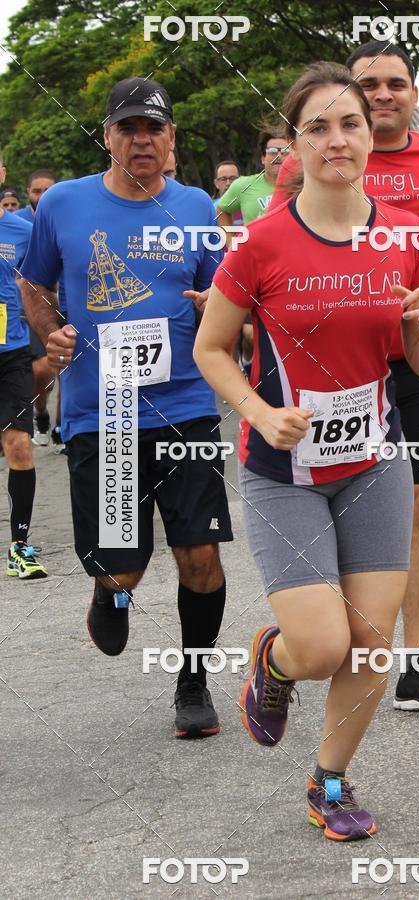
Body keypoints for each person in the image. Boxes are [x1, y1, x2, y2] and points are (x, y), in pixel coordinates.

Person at [195, 61, 419, 842]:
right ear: (293, 145)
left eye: (349, 123)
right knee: (320, 645)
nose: (338, 139)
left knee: (371, 647)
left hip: (375, 460)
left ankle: (329, 781)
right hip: (285, 471)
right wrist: (258, 410)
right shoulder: (262, 243)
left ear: (368, 138)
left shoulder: (408, 236)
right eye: (319, 127)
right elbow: (212, 348)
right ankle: (274, 662)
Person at [273, 42, 419, 714]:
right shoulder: (312, 158)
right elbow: (273, 241)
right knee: (340, 502)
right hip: (331, 364)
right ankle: (337, 639)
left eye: (397, 83)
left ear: (412, 90)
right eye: (372, 85)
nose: (386, 94)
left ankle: (418, 662)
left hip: (416, 355)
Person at [19, 77, 232, 737]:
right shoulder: (62, 204)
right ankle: (109, 587)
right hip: (102, 414)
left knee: (200, 556)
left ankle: (192, 680)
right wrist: (50, 333)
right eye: (129, 128)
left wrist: (212, 308)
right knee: (123, 565)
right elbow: (33, 281)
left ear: (170, 140)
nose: (142, 140)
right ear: (109, 136)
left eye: (154, 129)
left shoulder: (197, 206)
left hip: (187, 406)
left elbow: (220, 293)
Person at [0, 155, 47, 579]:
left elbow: (42, 280)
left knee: (19, 447)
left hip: (11, 352)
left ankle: (20, 545)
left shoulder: (22, 231)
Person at [14, 169, 59, 447]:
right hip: (31, 305)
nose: (42, 197)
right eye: (36, 191)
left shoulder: (67, 214)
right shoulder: (19, 224)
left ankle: (62, 428)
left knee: (68, 368)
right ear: (27, 193)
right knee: (42, 369)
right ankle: (40, 410)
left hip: (68, 299)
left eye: (47, 190)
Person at [216, 134, 288, 225]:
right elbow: (222, 210)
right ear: (263, 158)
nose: (278, 156)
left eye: (285, 151)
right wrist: (229, 238)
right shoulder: (243, 185)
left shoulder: (304, 186)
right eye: (272, 151)